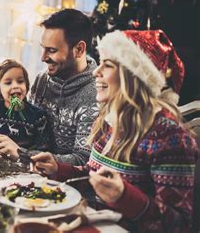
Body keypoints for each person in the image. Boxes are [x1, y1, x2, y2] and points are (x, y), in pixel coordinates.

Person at [32, 30, 197, 232]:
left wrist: (124, 197)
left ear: (133, 76)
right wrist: (58, 169)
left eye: (107, 65)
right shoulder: (106, 122)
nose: (95, 71)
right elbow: (92, 177)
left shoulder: (169, 137)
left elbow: (179, 225)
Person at [28, 9, 98, 165]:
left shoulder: (97, 93)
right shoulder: (42, 79)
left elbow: (83, 160)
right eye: (43, 48)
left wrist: (21, 154)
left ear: (79, 49)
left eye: (51, 50)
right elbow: (23, 124)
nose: (43, 58)